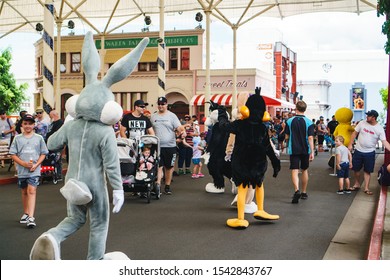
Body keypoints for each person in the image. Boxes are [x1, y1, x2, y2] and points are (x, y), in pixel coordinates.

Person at [9, 113, 49, 228]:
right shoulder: (17, 138)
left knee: (31, 190)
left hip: (34, 171)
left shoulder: (39, 138)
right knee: (24, 191)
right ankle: (26, 213)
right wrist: (23, 164)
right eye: (25, 123)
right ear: (22, 124)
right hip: (22, 170)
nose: (28, 126)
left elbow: (43, 153)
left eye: (30, 124)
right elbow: (13, 154)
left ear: (34, 125)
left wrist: (36, 165)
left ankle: (31, 217)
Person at [347, 110, 390, 195]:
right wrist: (350, 144)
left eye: (369, 116)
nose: (367, 117)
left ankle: (366, 188)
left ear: (374, 118)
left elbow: (384, 141)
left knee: (367, 171)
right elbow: (354, 133)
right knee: (356, 169)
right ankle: (357, 184)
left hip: (370, 152)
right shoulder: (362, 123)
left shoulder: (379, 128)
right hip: (358, 150)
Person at [151, 96, 186, 195]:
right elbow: (150, 130)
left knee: (169, 167)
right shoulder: (153, 117)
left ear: (166, 105)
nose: (160, 106)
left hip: (170, 146)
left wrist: (182, 132)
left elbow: (179, 127)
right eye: (159, 104)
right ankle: (157, 185)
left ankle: (167, 185)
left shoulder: (172, 116)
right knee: (158, 165)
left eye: (163, 104)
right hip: (157, 146)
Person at [285, 100, 315, 204]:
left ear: (296, 109)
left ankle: (296, 190)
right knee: (304, 170)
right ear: (305, 109)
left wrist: (286, 142)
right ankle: (304, 192)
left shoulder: (289, 121)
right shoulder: (309, 122)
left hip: (293, 149)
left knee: (294, 170)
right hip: (305, 149)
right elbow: (310, 137)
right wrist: (312, 151)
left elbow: (287, 136)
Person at [46, 110, 64, 180]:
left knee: (57, 159)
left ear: (53, 115)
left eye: (50, 116)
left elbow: (58, 133)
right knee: (51, 159)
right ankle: (52, 174)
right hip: (49, 143)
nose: (49, 117)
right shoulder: (52, 123)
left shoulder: (60, 123)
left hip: (56, 144)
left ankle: (59, 175)